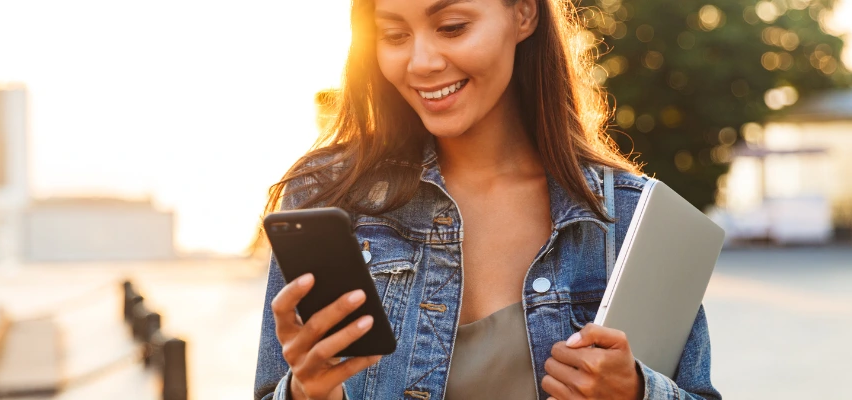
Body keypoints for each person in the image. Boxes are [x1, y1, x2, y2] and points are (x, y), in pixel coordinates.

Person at [255, 0, 721, 399]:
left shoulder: (629, 216)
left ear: (522, 13)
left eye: (452, 27)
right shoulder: (327, 198)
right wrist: (305, 393)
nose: (421, 62)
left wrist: (637, 392)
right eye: (394, 35)